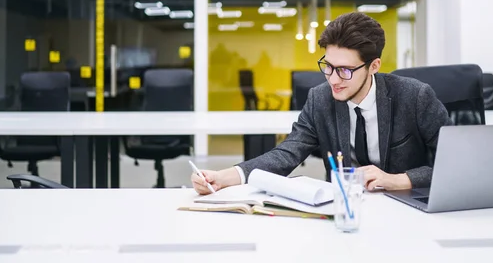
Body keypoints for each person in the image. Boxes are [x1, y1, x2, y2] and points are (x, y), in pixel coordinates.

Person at [192, 12, 452, 194]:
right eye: (328, 66)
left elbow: (452, 164)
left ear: (374, 66)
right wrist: (225, 176)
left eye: (345, 70)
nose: (333, 79)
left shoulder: (414, 97)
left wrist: (399, 180)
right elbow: (287, 153)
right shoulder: (320, 99)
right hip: (343, 209)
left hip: (406, 211)